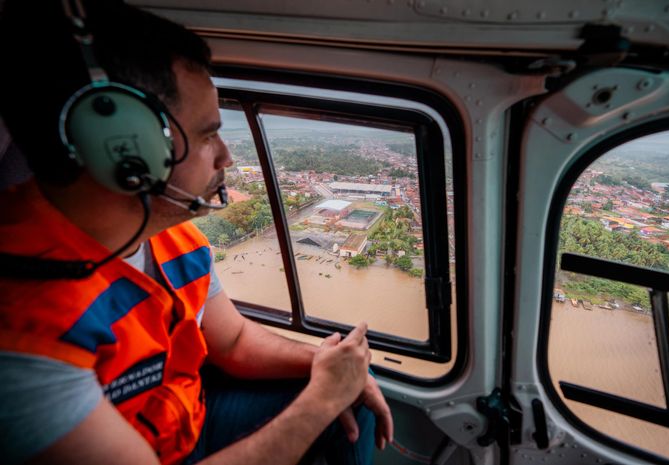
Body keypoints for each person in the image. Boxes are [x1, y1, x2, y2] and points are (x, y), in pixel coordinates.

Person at [0, 1, 393, 464]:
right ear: (125, 153)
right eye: (208, 136)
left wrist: (329, 367)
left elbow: (234, 342)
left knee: (354, 407)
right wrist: (322, 397)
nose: (225, 156)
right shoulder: (21, 326)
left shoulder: (172, 236)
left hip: (189, 420)